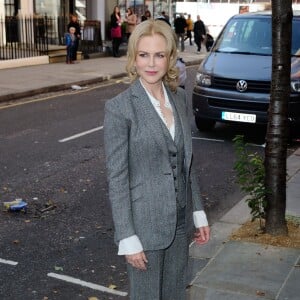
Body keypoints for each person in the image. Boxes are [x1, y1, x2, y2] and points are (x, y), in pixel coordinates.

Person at [104, 19, 210, 300]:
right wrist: (127, 237)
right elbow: (117, 179)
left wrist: (198, 213)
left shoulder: (178, 98)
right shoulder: (120, 109)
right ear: (134, 58)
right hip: (144, 227)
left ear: (170, 58)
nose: (151, 63)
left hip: (179, 222)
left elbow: (187, 162)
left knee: (175, 293)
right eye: (144, 55)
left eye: (159, 55)